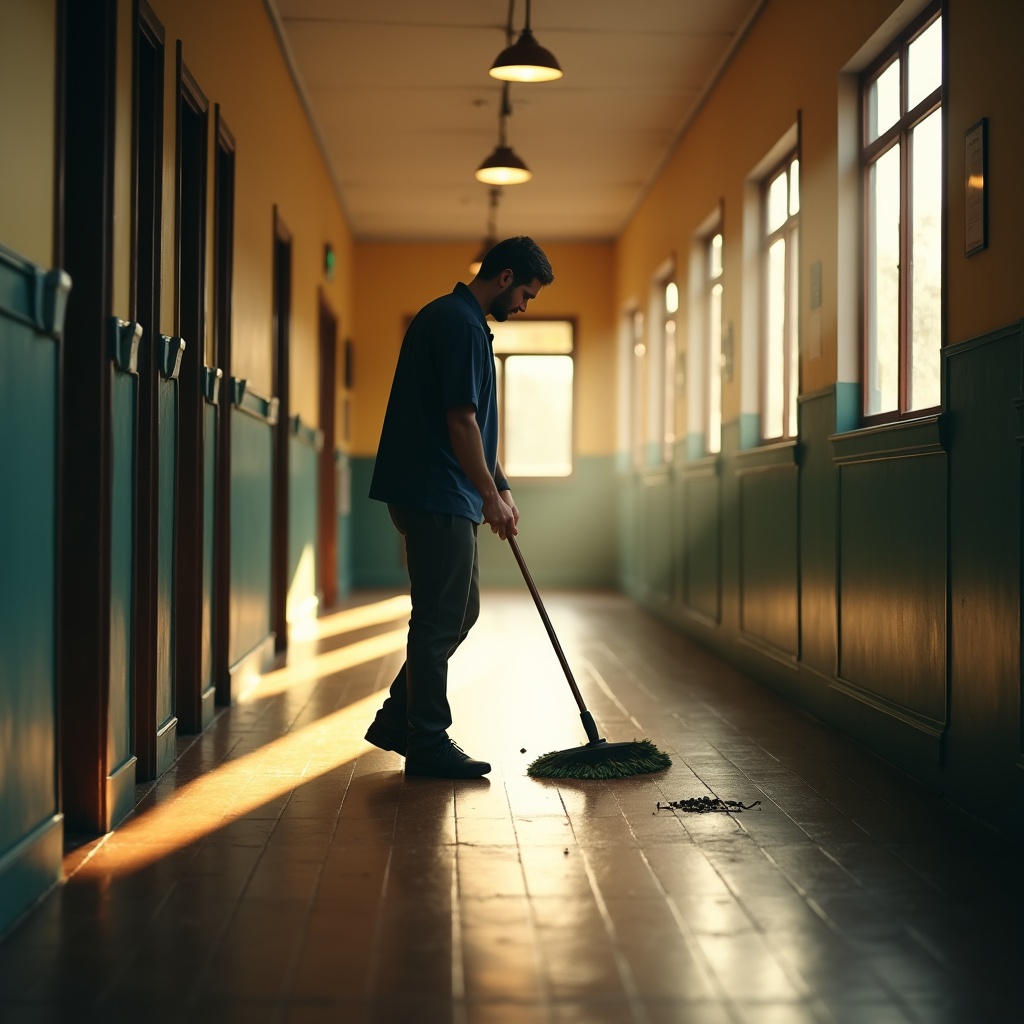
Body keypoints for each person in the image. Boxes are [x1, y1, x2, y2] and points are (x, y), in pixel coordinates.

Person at [364, 236, 555, 779]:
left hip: (442, 490)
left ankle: (398, 720)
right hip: (436, 492)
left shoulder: (454, 319)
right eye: (526, 293)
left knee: (458, 612)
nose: (523, 305)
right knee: (437, 618)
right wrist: (489, 495)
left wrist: (501, 484)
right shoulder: (461, 325)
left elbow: (476, 423)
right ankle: (425, 738)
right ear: (504, 277)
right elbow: (460, 422)